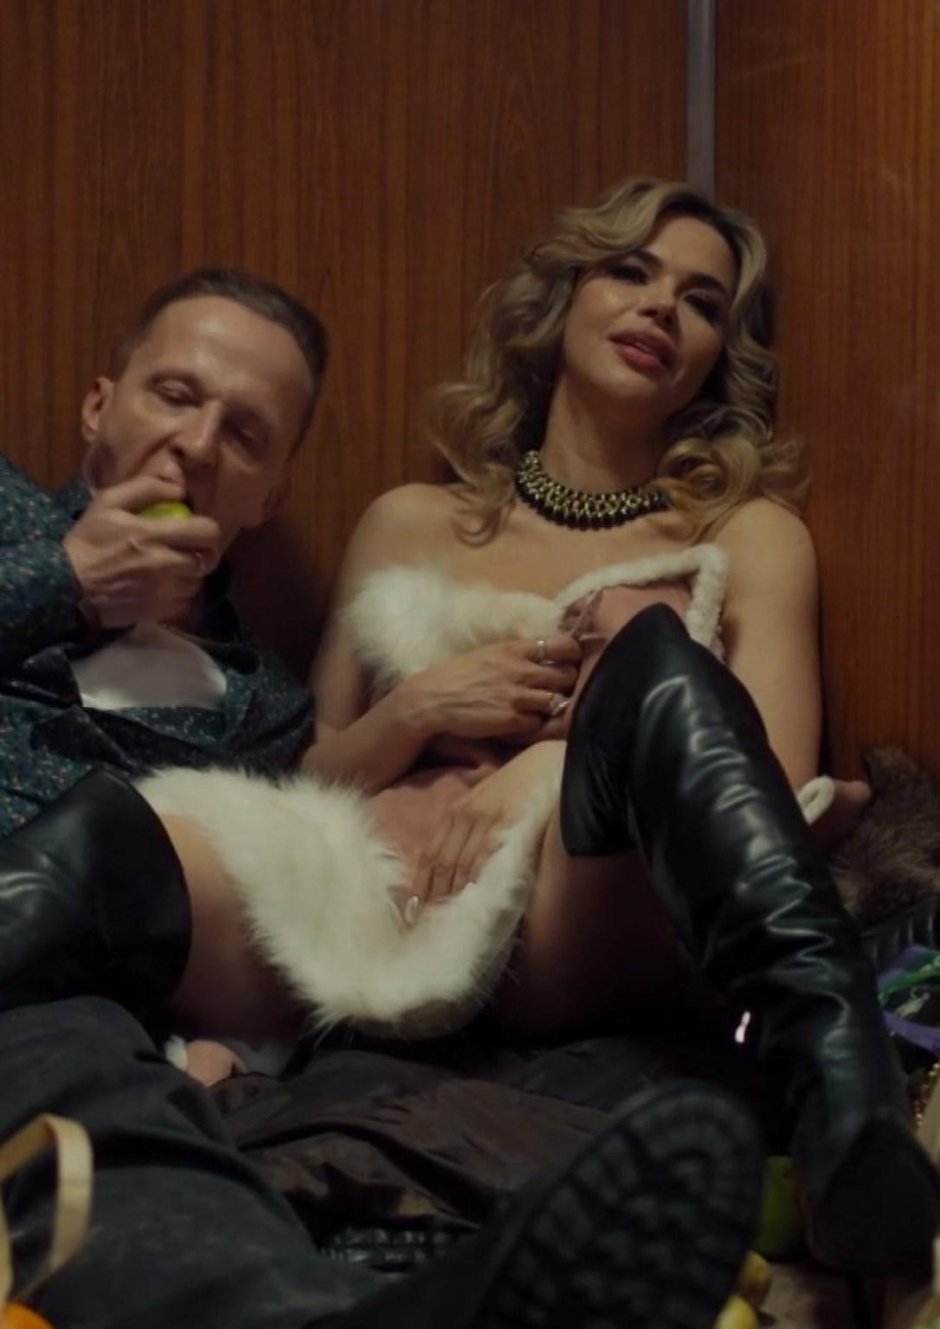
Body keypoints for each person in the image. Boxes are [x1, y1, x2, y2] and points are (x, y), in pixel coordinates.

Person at [0, 178, 937, 1277]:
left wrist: (550, 767)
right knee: (112, 835)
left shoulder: (752, 533)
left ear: (718, 356)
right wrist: (419, 709)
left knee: (648, 645)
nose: (660, 308)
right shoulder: (407, 521)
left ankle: (844, 1096)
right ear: (562, 297)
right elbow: (306, 776)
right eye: (629, 270)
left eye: (701, 302)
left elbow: (765, 785)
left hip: (584, 893)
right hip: (371, 891)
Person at [0, 265, 324, 839]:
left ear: (270, 497)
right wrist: (68, 578)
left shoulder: (267, 707)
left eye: (243, 434)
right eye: (175, 397)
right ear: (97, 409)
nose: (198, 445)